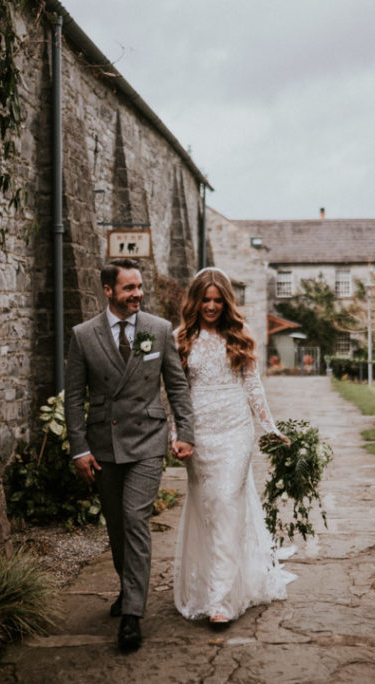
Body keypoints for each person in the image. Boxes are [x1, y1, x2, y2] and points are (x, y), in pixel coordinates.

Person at [64, 258, 195, 652]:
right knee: (116, 523)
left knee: (136, 519)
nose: (137, 293)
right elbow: (73, 397)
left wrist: (184, 431)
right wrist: (79, 448)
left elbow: (177, 385)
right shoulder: (84, 335)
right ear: (108, 291)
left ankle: (133, 615)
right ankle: (129, 586)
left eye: (139, 287)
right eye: (128, 288)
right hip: (104, 444)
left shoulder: (158, 329)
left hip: (147, 441)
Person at [172, 267, 295, 625]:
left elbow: (253, 385)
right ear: (196, 300)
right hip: (199, 433)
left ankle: (222, 601)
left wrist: (269, 426)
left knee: (226, 500)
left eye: (217, 300)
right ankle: (207, 586)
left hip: (236, 430)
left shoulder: (240, 334)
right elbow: (174, 392)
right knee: (208, 509)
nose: (211, 306)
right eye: (205, 300)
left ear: (227, 302)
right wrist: (176, 434)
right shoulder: (181, 337)